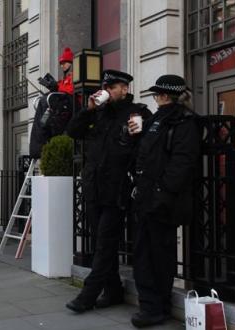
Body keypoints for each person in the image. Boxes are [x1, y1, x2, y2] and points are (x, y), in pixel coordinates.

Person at [65, 70, 151, 313]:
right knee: (103, 243)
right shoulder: (98, 113)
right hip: (94, 187)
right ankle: (113, 291)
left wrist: (141, 130)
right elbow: (72, 131)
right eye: (106, 87)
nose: (107, 91)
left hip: (117, 189)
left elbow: (146, 144)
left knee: (104, 243)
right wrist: (88, 108)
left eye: (111, 87)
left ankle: (87, 295)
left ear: (124, 89)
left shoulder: (138, 112)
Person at [129, 74, 200, 327]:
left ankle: (157, 308)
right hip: (146, 198)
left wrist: (161, 193)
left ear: (165, 95)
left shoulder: (184, 122)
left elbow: (182, 163)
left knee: (159, 255)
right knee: (143, 254)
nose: (155, 98)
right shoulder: (156, 119)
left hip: (163, 202)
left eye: (157, 94)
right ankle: (151, 306)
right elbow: (143, 154)